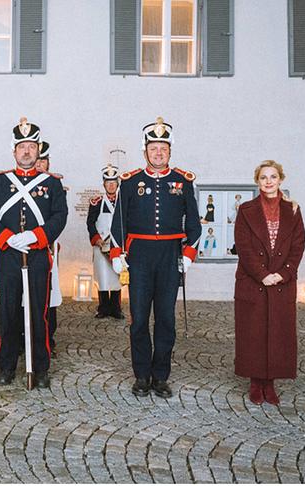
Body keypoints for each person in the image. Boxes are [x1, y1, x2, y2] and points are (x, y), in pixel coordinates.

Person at [109, 116, 201, 398]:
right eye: (153, 148)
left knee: (166, 319)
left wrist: (188, 254)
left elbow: (194, 224)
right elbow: (117, 223)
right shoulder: (129, 182)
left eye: (163, 148)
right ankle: (141, 375)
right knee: (138, 319)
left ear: (170, 151)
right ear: (145, 151)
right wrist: (117, 253)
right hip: (139, 257)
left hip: (169, 257)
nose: (158, 153)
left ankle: (160, 376)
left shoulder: (182, 181)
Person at [0, 117, 68, 388]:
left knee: (38, 314)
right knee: (8, 312)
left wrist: (36, 236)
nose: (27, 151)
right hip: (8, 255)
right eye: (22, 147)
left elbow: (60, 216)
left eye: (31, 146)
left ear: (38, 149)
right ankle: (6, 366)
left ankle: (40, 368)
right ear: (14, 151)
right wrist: (7, 238)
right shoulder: (0, 181)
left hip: (38, 255)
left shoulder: (51, 183)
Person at [234, 160, 305, 405]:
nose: (268, 181)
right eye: (263, 177)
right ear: (257, 181)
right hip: (253, 281)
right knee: (253, 332)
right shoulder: (246, 210)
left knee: (278, 332)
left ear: (280, 179)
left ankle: (270, 382)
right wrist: (262, 274)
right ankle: (255, 382)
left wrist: (283, 274)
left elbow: (298, 245)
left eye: (273, 176)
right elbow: (243, 247)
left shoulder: (293, 210)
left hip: (281, 282)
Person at [34, 141, 64, 350]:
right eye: (37, 160)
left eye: (43, 160)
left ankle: (47, 337)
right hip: (23, 249)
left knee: (48, 293)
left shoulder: (54, 185)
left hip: (47, 247)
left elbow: (58, 217)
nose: (39, 164)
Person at [87, 164, 124, 319]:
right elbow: (90, 223)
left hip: (117, 245)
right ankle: (103, 308)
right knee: (102, 276)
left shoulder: (123, 202)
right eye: (108, 182)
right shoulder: (97, 202)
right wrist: (97, 240)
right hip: (101, 245)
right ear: (104, 184)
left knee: (116, 276)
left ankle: (116, 308)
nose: (111, 185)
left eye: (113, 182)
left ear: (117, 184)